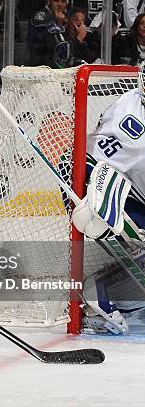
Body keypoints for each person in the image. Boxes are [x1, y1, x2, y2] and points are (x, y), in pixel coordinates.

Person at [72, 61, 145, 334]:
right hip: (108, 194)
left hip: (97, 183)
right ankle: (103, 292)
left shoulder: (128, 99)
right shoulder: (129, 103)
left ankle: (117, 294)